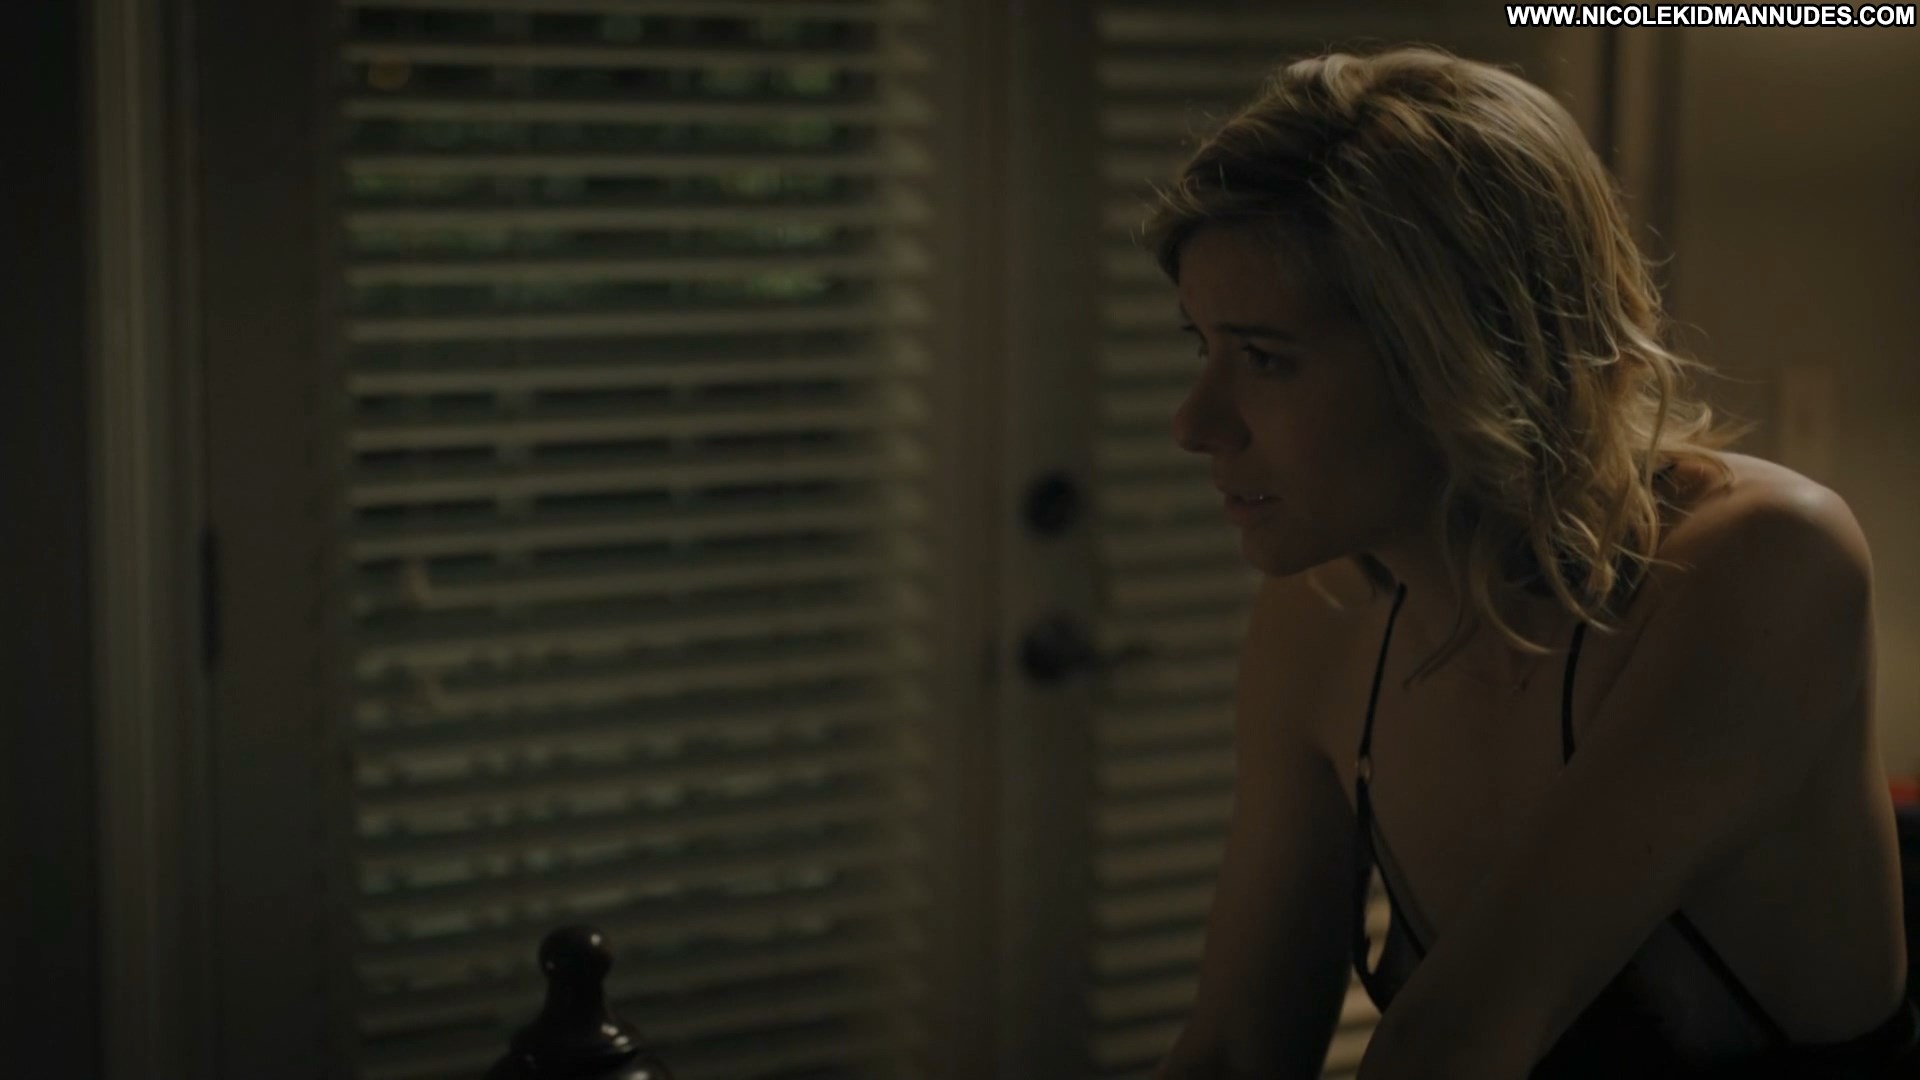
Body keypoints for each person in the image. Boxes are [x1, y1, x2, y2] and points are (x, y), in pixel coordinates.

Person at [1145, 45, 1916, 1079]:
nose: (1195, 424)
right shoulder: (1323, 609)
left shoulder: (1767, 561)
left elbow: (1454, 1044)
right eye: (1202, 347)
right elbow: (1240, 1045)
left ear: (1466, 354)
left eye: (1267, 358)